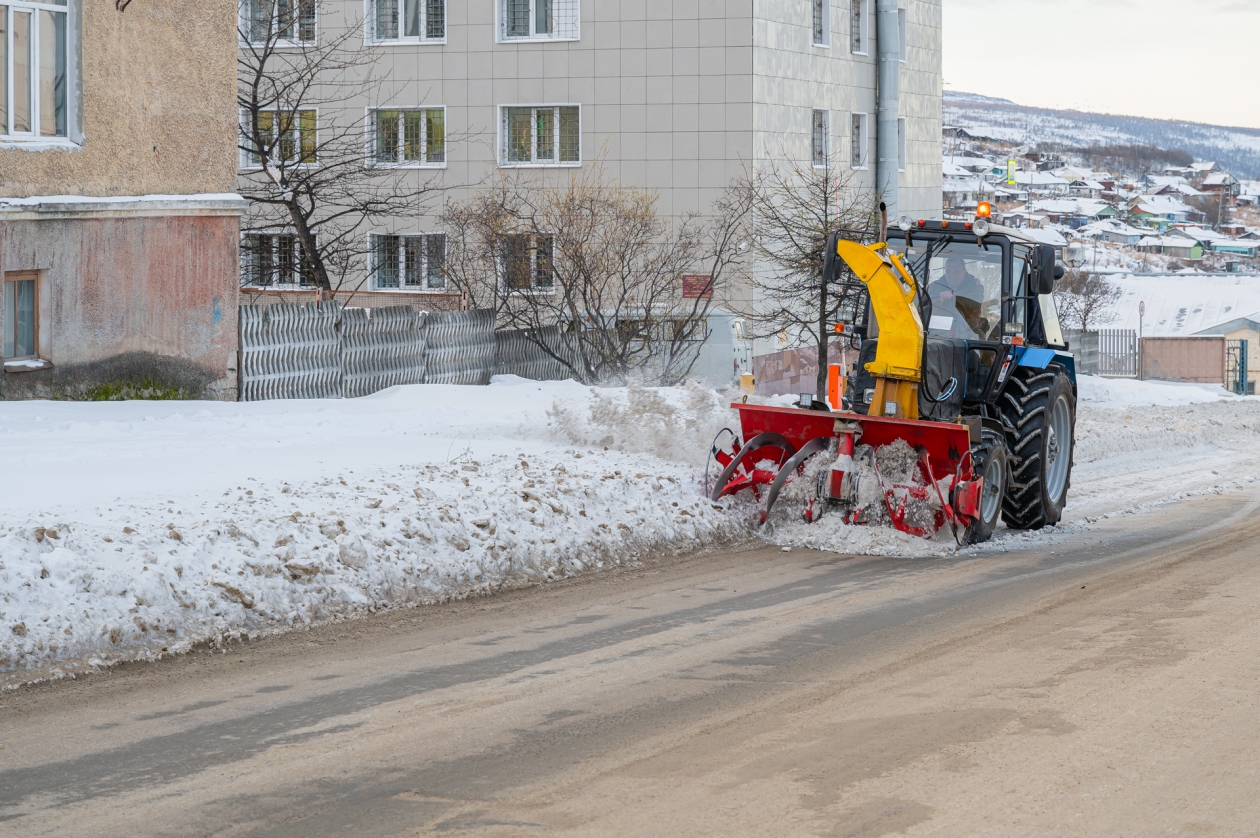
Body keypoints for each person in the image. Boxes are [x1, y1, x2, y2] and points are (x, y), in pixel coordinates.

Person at [929, 256, 988, 336]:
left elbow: (974, 303)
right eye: (948, 271)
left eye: (956, 271)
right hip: (936, 332)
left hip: (967, 331)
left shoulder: (975, 287)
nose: (951, 275)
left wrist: (954, 297)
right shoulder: (934, 287)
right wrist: (938, 300)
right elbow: (923, 305)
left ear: (964, 272)